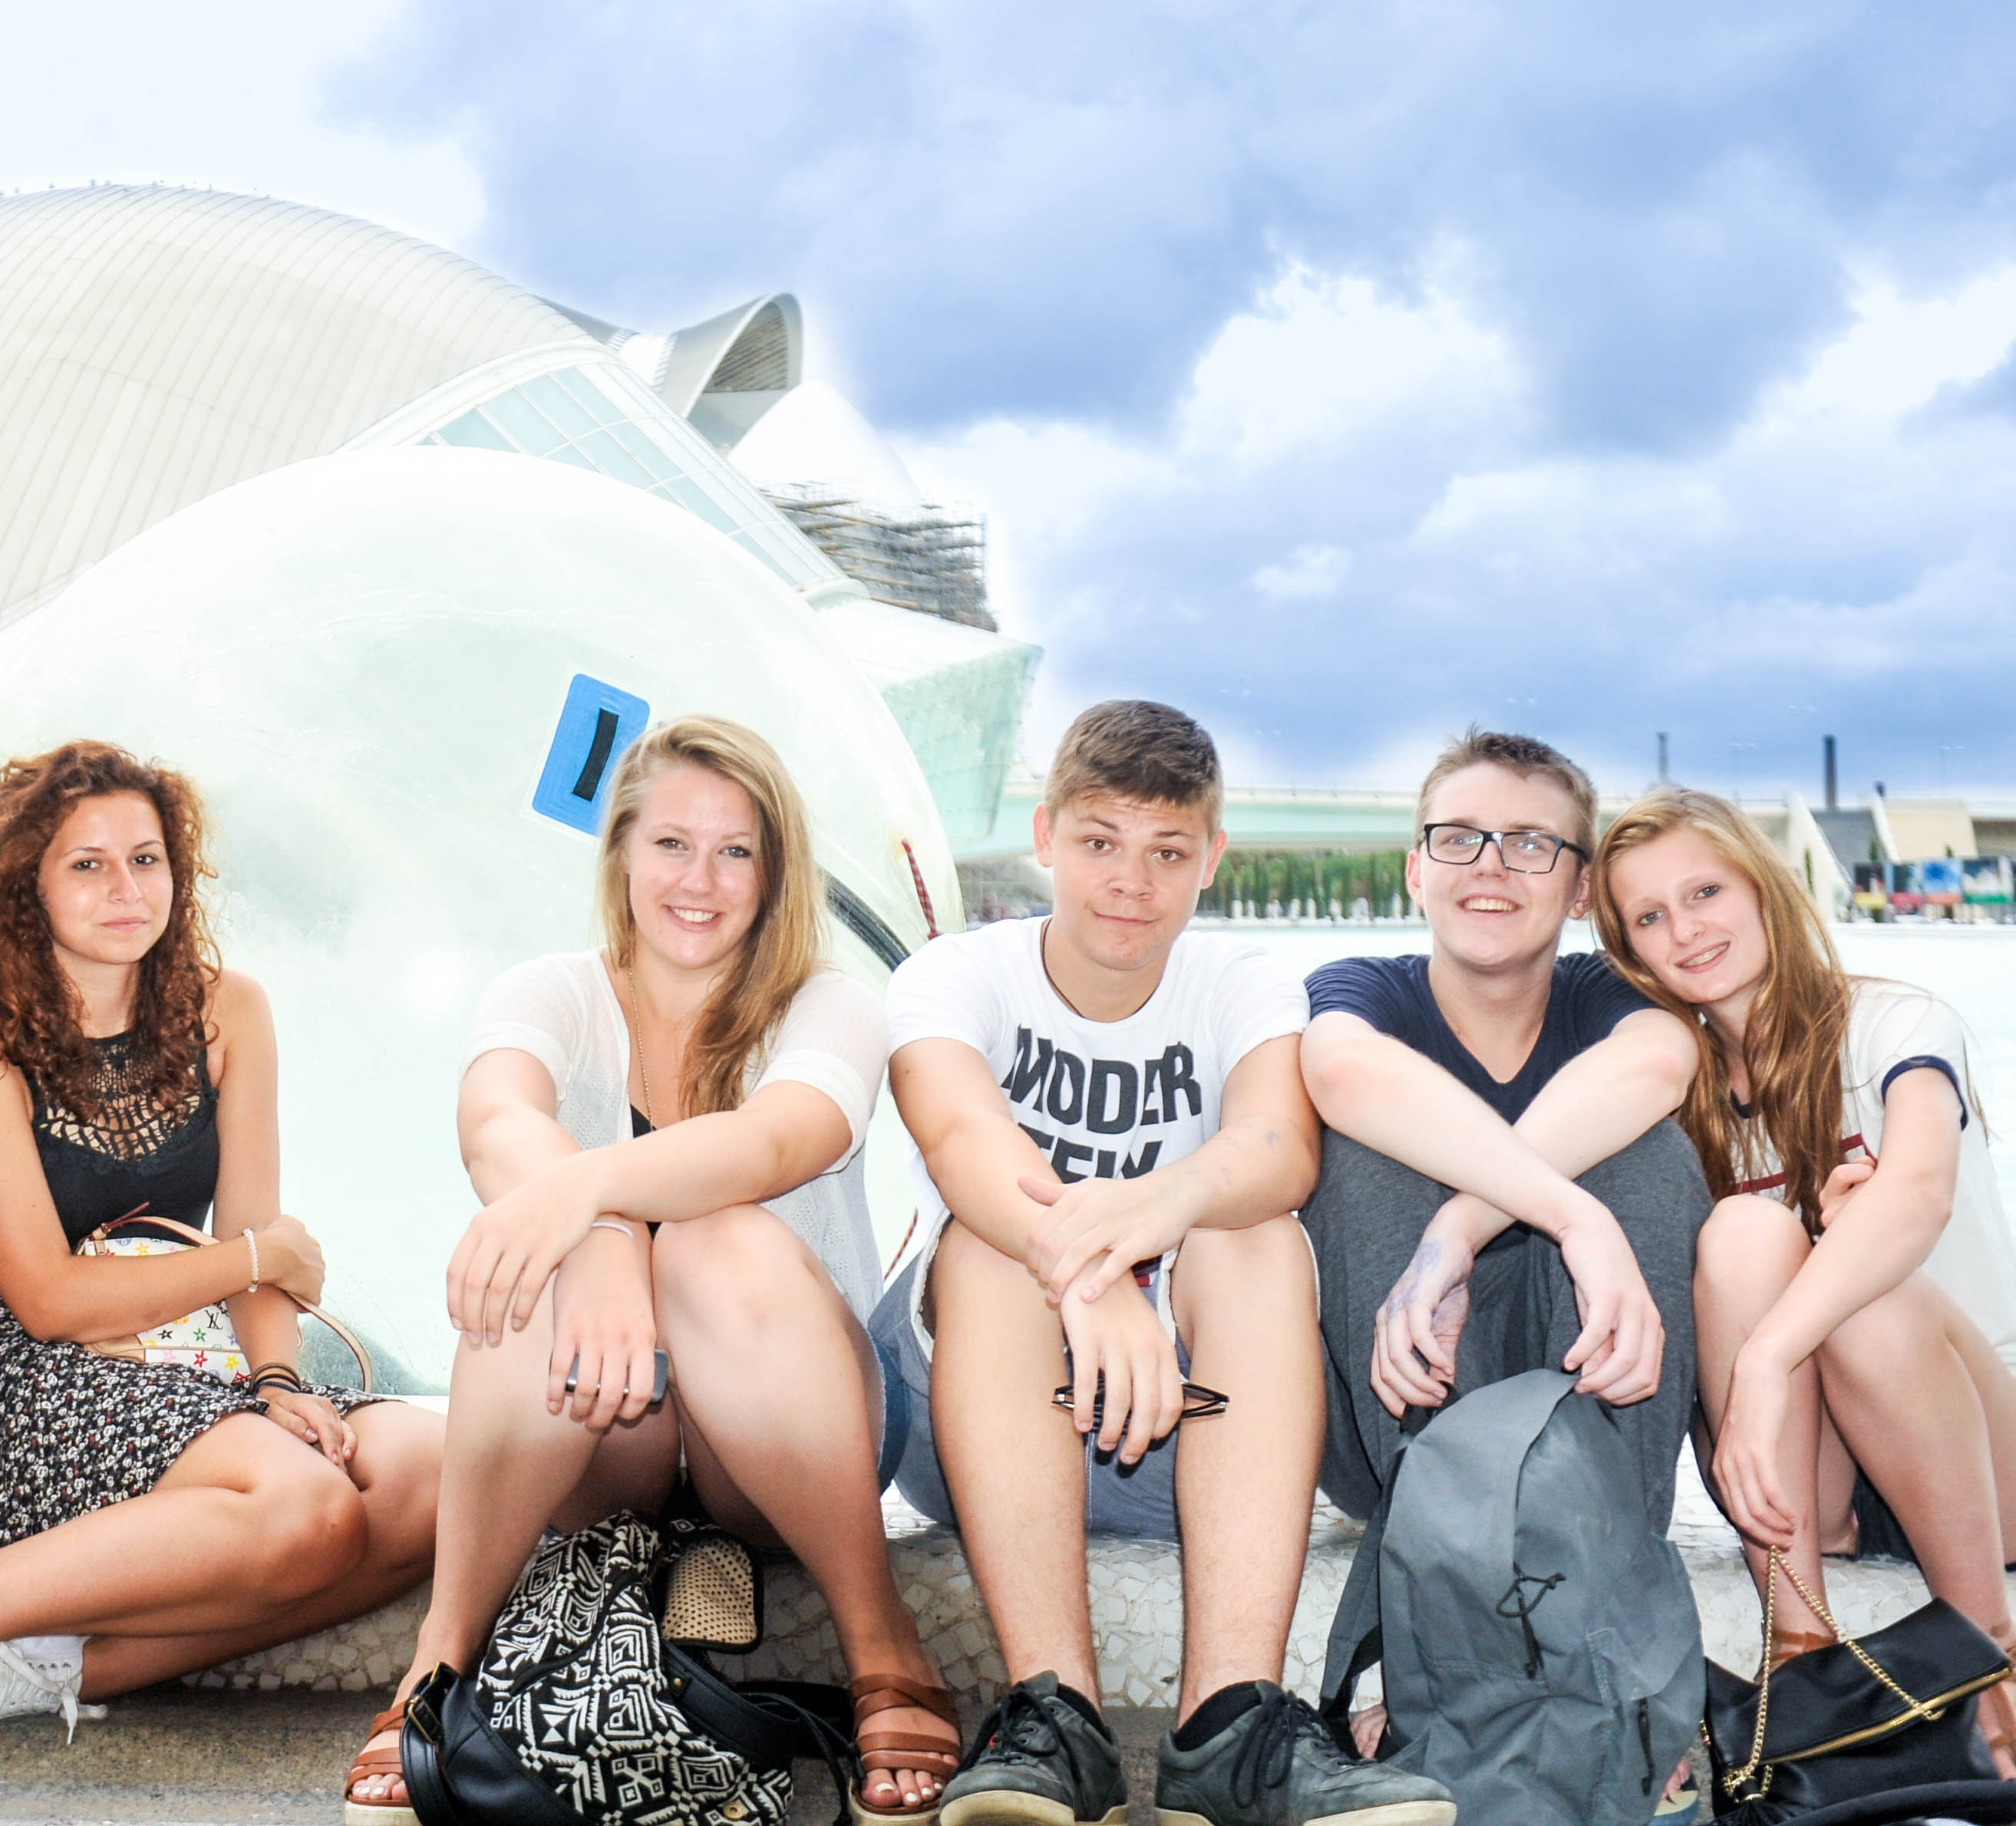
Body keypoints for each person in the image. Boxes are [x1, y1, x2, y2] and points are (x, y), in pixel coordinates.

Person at [0, 741, 443, 1813]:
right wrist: (255, 1259)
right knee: (310, 1513)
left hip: (184, 1366)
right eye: (87, 865)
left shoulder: (231, 1010)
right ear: (29, 886)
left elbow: (246, 1233)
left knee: (434, 1469)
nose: (125, 889)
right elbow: (48, 1295)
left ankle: (48, 1669)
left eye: (146, 859)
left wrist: (279, 1381)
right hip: (34, 1381)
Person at [354, 715, 959, 1826]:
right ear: (620, 852)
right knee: (527, 1264)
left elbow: (782, 1141)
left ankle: (883, 1641)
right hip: (610, 1429)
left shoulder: (827, 1005)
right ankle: (439, 1662)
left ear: (775, 874)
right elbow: (494, 1119)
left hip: (787, 1433)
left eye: (736, 851)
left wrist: (595, 1206)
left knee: (712, 1237)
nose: (701, 880)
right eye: (672, 844)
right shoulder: (552, 991)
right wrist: (584, 1242)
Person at [876, 701, 1453, 1826]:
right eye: (1100, 842)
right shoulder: (956, 976)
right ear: (1045, 837)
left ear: (1210, 860)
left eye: (1167, 851)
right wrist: (1090, 1283)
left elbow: (1278, 1151)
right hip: (984, 1425)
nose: (1130, 882)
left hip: (1187, 1431)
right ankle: (1055, 1717)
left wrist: (1133, 1245)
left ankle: (1229, 1725)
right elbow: (962, 1146)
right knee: (985, 1246)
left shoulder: (1240, 982)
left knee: (1254, 1237)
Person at [1595, 787, 2016, 1792]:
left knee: (1868, 1289)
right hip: (1812, 1486)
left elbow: (1918, 1195)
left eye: (1704, 891)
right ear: (1630, 951)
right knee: (1739, 1232)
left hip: (1993, 1457)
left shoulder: (1898, 1023)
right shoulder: (1665, 1095)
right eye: (1649, 916)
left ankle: (1991, 1655)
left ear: (1763, 888)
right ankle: (1800, 1654)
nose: (1684, 929)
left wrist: (1791, 1325)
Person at [1298, 731, 1700, 1536]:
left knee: (1652, 1153)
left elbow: (1660, 1063)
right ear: (1416, 870)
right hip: (1396, 1406)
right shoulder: (1361, 990)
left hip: (1579, 1392)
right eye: (1458, 839)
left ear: (1579, 890)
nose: (1489, 866)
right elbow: (1340, 1071)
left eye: (1529, 845)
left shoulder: (1601, 997)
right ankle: (1438, 1529)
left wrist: (1459, 1226)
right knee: (1357, 1153)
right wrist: (1572, 1214)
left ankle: (1608, 1534)